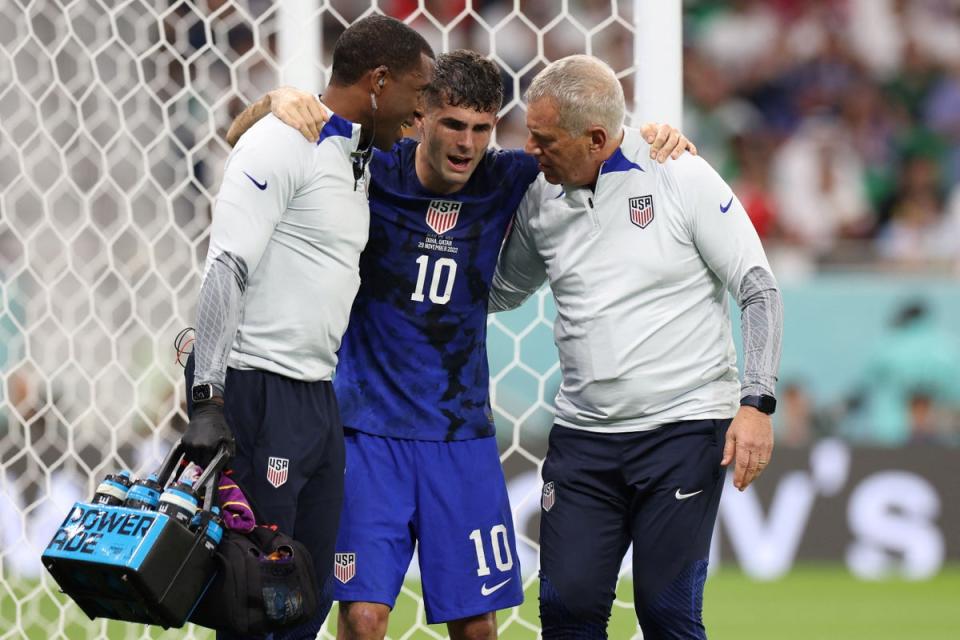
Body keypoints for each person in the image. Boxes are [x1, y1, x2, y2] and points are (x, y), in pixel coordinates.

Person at [226, 50, 694, 639]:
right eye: (452, 124)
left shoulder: (509, 176)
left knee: (477, 627)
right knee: (365, 617)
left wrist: (659, 141)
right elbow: (239, 139)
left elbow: (593, 148)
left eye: (481, 128)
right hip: (369, 433)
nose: (467, 143)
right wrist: (272, 104)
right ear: (419, 118)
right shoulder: (370, 164)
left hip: (462, 436)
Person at [489, 55, 784, 639]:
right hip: (584, 439)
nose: (532, 150)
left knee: (666, 612)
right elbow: (501, 291)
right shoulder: (541, 198)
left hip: (683, 431)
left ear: (596, 138)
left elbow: (758, 288)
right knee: (567, 612)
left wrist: (757, 404)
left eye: (545, 139)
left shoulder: (681, 175)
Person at [180, 15, 434, 639]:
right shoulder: (280, 142)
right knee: (254, 597)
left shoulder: (360, 154)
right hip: (257, 387)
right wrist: (207, 398)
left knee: (307, 595)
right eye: (416, 93)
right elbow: (226, 268)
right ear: (378, 81)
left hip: (319, 395)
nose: (421, 113)